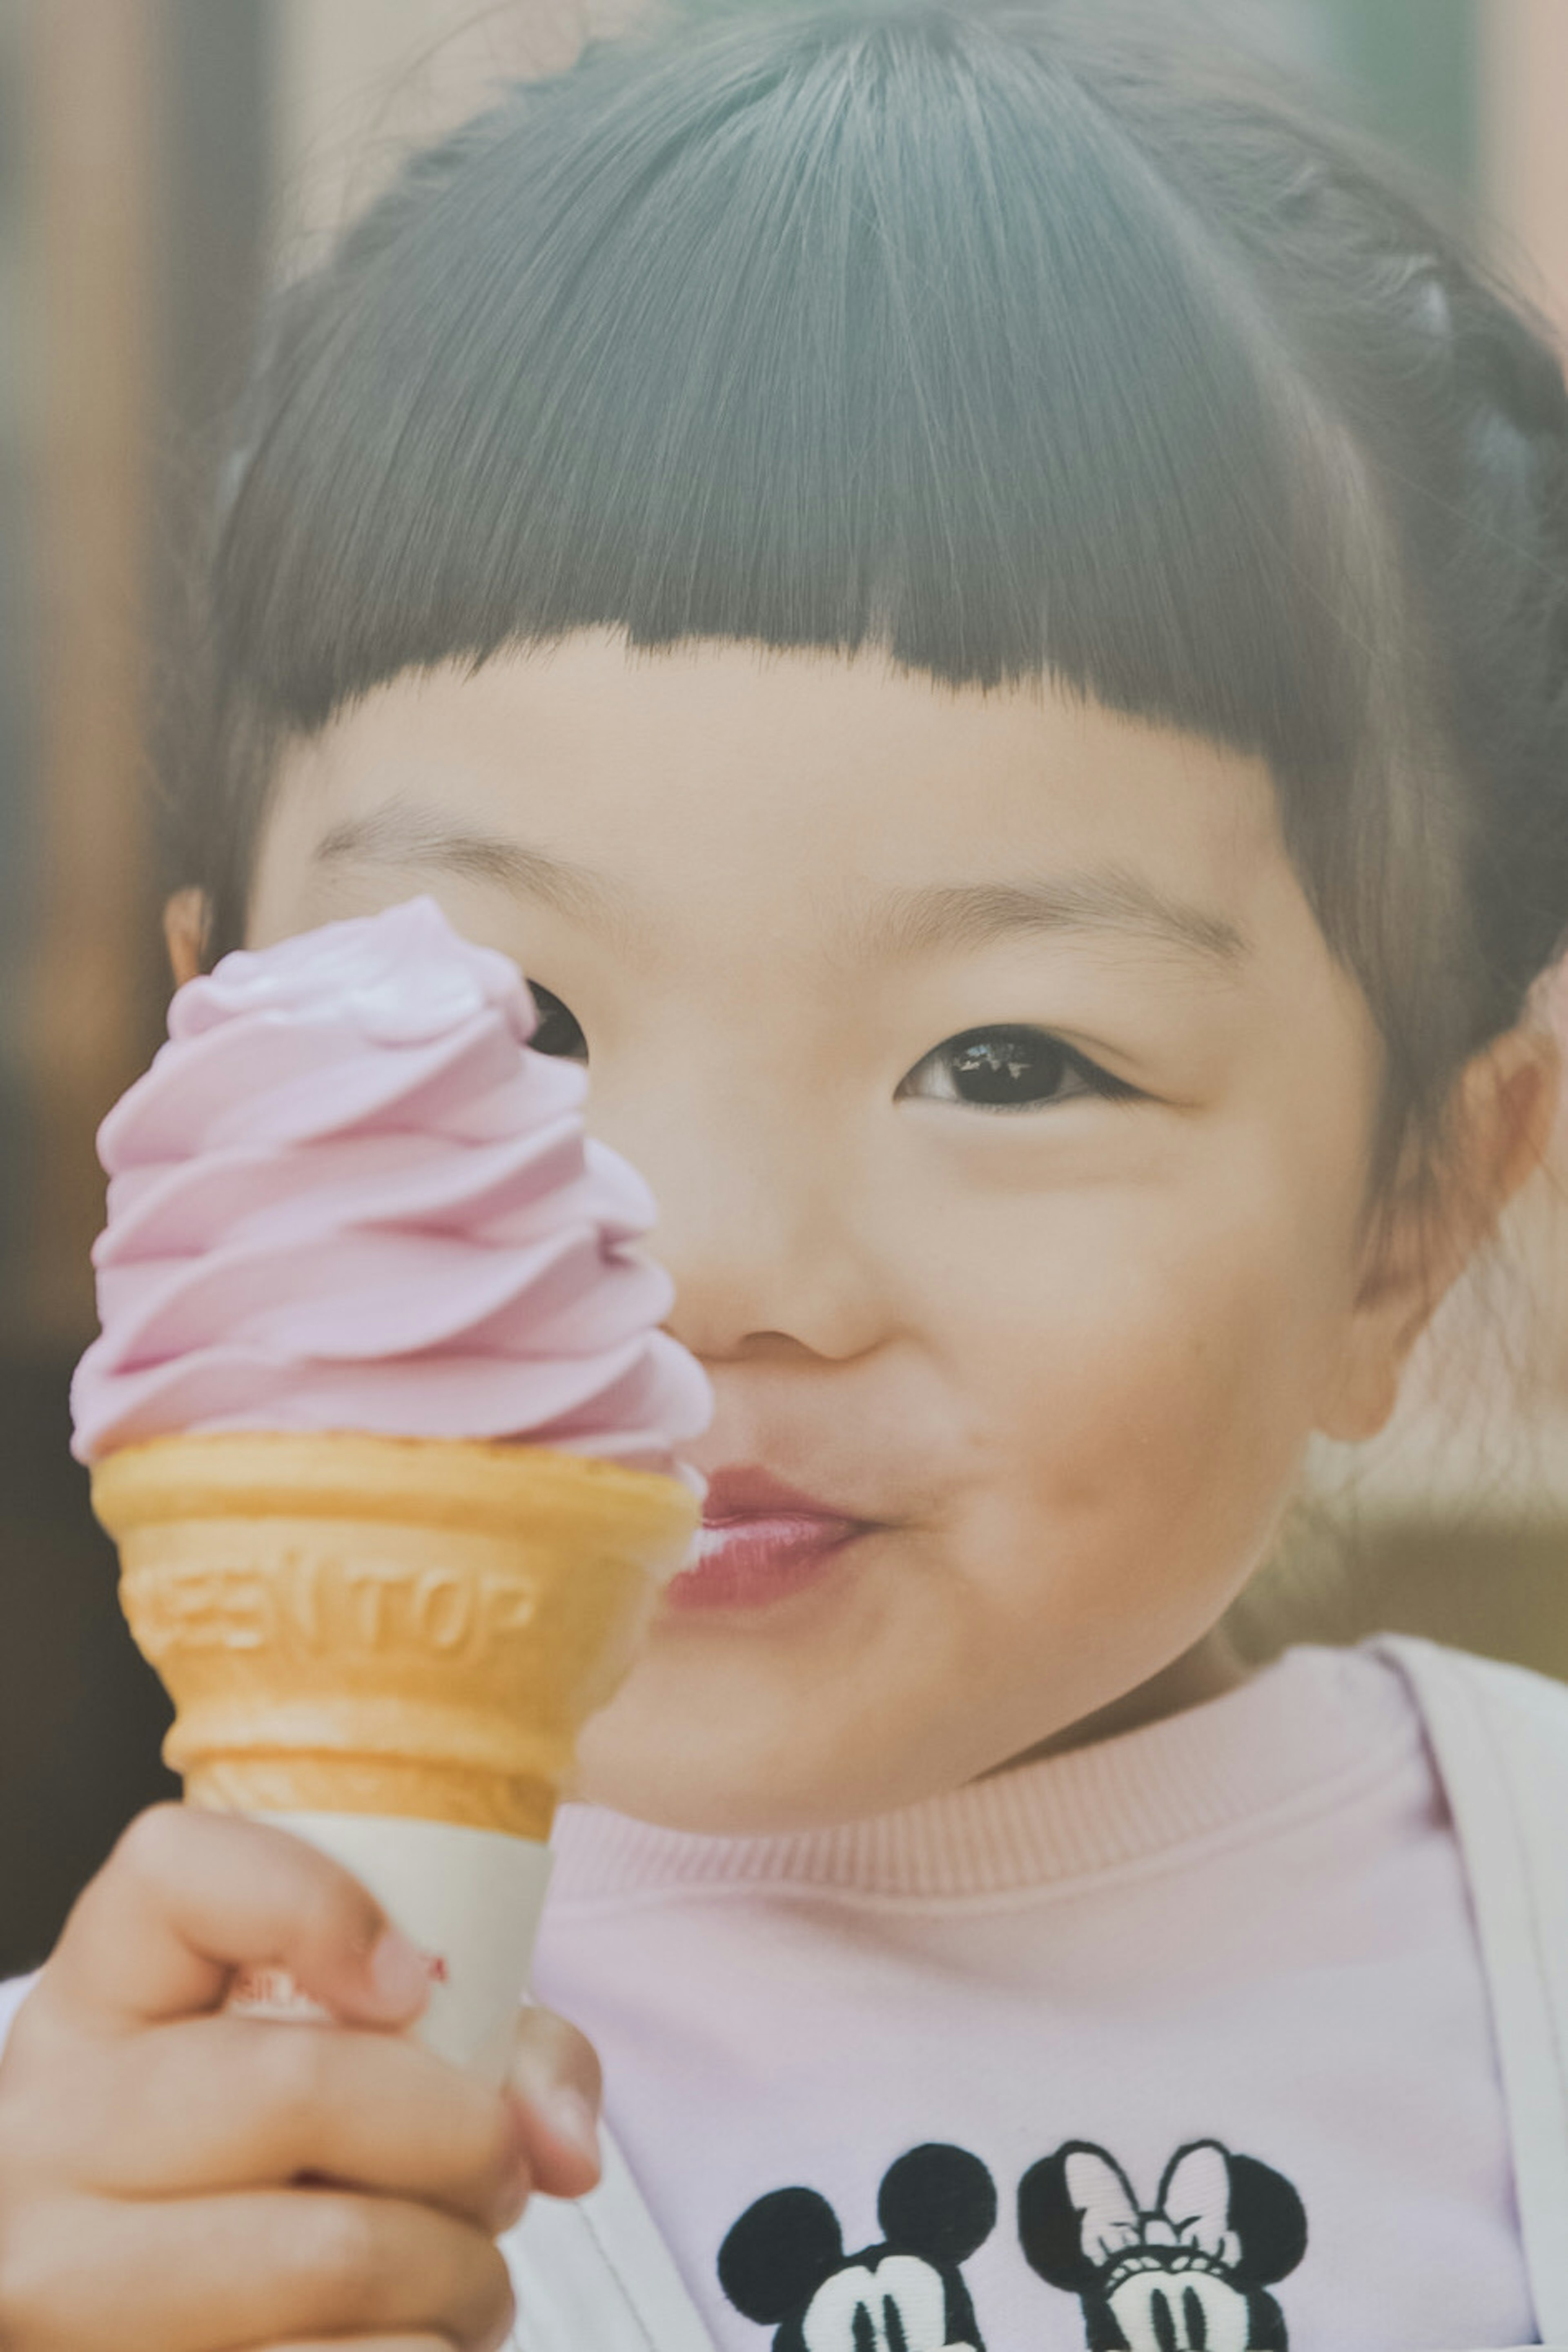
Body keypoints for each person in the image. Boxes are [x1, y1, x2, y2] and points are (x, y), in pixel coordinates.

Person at [3, 2, 1568, 2345]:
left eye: (1011, 1058)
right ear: (218, 1060)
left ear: (1411, 1214)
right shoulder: (100, 2188)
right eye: (516, 1027)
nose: (712, 1266)